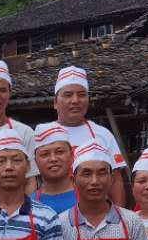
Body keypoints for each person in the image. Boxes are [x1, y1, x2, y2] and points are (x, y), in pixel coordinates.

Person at [53, 66, 127, 209]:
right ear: (55, 102)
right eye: (68, 95)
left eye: (81, 95)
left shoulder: (102, 134)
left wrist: (120, 216)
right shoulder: (42, 136)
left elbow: (116, 180)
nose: (75, 100)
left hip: (96, 213)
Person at [31, 123, 78, 214]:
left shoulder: (90, 197)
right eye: (45, 154)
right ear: (35, 161)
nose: (53, 159)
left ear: (72, 156)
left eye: (59, 152)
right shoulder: (27, 205)